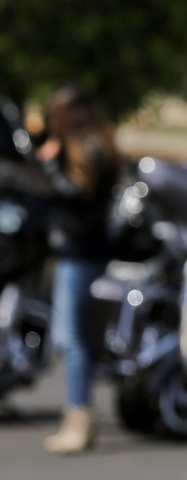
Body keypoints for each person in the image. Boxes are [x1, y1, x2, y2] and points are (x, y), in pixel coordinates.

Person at [38, 86, 119, 454]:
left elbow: (75, 194)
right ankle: (79, 414)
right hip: (88, 251)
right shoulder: (100, 143)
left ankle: (78, 419)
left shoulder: (84, 149)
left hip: (81, 253)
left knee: (73, 340)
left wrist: (49, 165)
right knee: (74, 337)